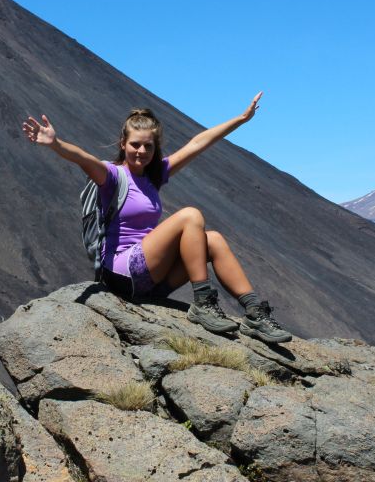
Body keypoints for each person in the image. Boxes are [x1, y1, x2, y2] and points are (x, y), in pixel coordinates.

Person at [21, 92, 291, 343]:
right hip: (122, 274)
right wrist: (55, 144)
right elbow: (84, 158)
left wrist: (241, 119)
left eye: (148, 146)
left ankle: (255, 313)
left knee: (214, 240)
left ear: (155, 148)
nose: (141, 151)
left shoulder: (155, 175)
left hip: (151, 279)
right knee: (190, 216)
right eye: (135, 145)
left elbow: (198, 143)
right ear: (123, 144)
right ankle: (203, 303)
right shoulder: (112, 176)